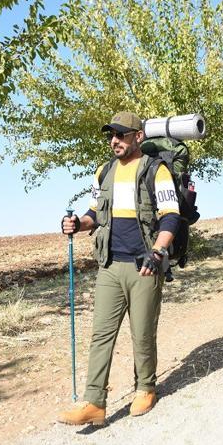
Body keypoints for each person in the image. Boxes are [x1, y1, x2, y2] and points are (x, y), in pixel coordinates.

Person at [56, 112, 180, 426]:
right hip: (110, 266)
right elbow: (96, 214)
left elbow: (170, 216)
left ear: (138, 136)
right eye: (111, 135)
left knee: (142, 333)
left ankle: (146, 388)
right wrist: (76, 224)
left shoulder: (157, 170)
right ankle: (94, 402)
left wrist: (158, 252)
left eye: (121, 135)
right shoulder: (104, 171)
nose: (115, 140)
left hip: (145, 266)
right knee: (101, 335)